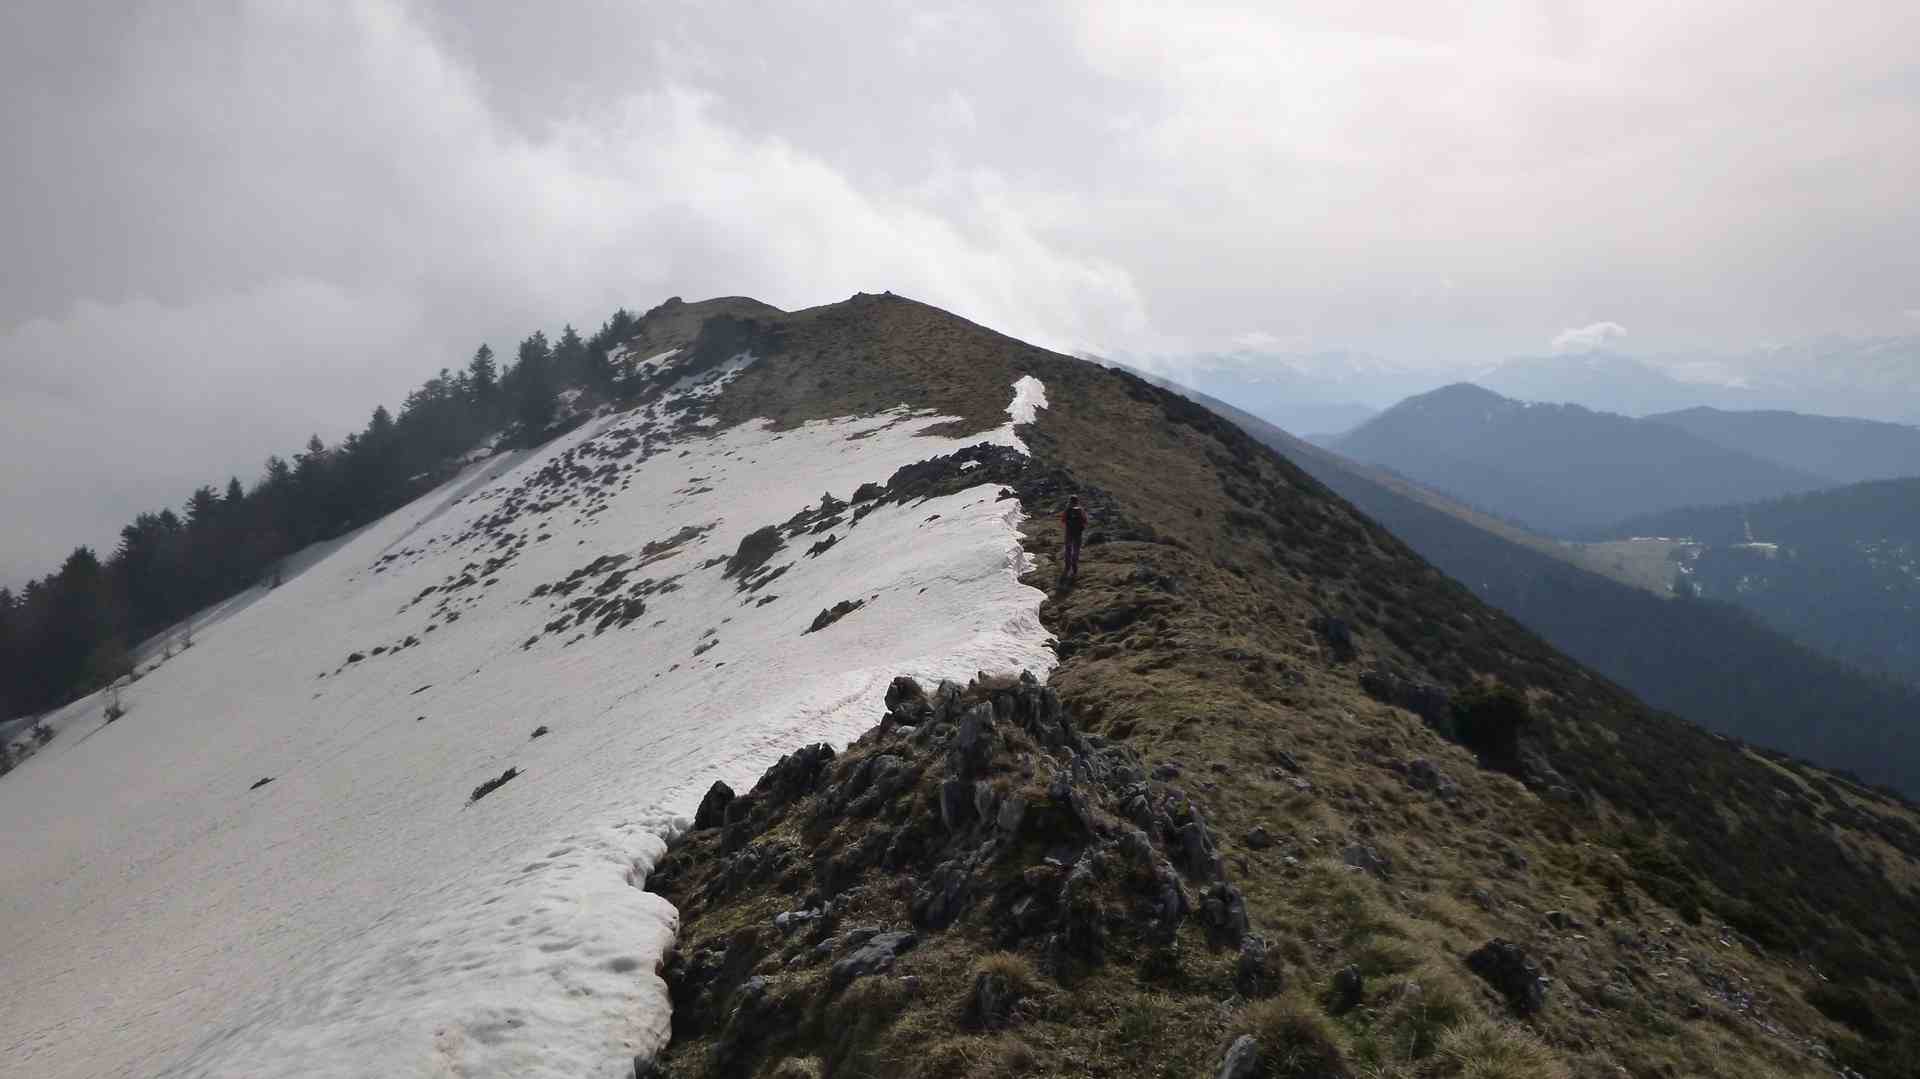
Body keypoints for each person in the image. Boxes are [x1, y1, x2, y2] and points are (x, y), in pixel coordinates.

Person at [1062, 495, 1088, 578]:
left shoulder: (1067, 510)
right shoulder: (1081, 510)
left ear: (1070, 501)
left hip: (1069, 533)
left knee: (1068, 549)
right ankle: (1074, 564)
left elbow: (1063, 520)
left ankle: (1067, 565)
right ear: (1077, 501)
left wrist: (1068, 523)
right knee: (1076, 549)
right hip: (1078, 533)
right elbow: (1085, 521)